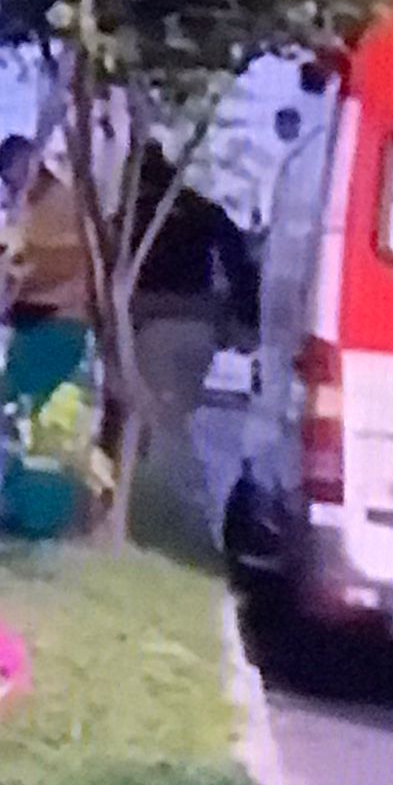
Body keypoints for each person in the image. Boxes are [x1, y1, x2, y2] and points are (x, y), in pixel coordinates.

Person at [127, 141, 260, 539]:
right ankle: (165, 508)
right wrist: (246, 321)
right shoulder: (203, 211)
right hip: (199, 328)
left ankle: (187, 513)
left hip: (154, 324)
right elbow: (240, 265)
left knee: (162, 421)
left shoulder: (135, 215)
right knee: (173, 416)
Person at [0, 135, 92, 418]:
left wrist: (15, 277)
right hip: (31, 326)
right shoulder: (26, 211)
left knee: (35, 415)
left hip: (57, 325)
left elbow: (65, 264)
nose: (11, 187)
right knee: (16, 413)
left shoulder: (61, 205)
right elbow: (6, 255)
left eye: (15, 177)